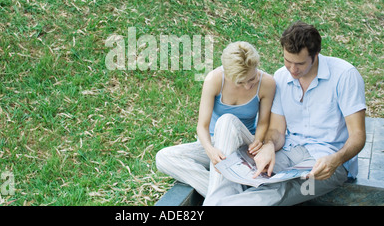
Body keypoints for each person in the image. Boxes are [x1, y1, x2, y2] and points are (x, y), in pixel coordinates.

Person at [203, 21, 366, 206]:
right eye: (288, 61)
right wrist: (269, 146)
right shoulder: (281, 76)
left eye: (300, 64)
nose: (293, 69)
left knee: (278, 193)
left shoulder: (345, 76)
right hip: (289, 152)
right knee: (251, 176)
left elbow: (358, 135)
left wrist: (336, 159)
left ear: (316, 55)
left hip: (327, 163)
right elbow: (277, 130)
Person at [155, 41, 276, 197]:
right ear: (227, 73)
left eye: (251, 79)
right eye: (240, 82)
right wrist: (210, 151)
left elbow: (264, 122)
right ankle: (234, 197)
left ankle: (220, 197)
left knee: (226, 120)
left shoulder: (267, 83)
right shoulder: (214, 79)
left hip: (244, 144)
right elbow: (202, 126)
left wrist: (257, 141)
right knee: (164, 158)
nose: (247, 86)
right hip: (215, 145)